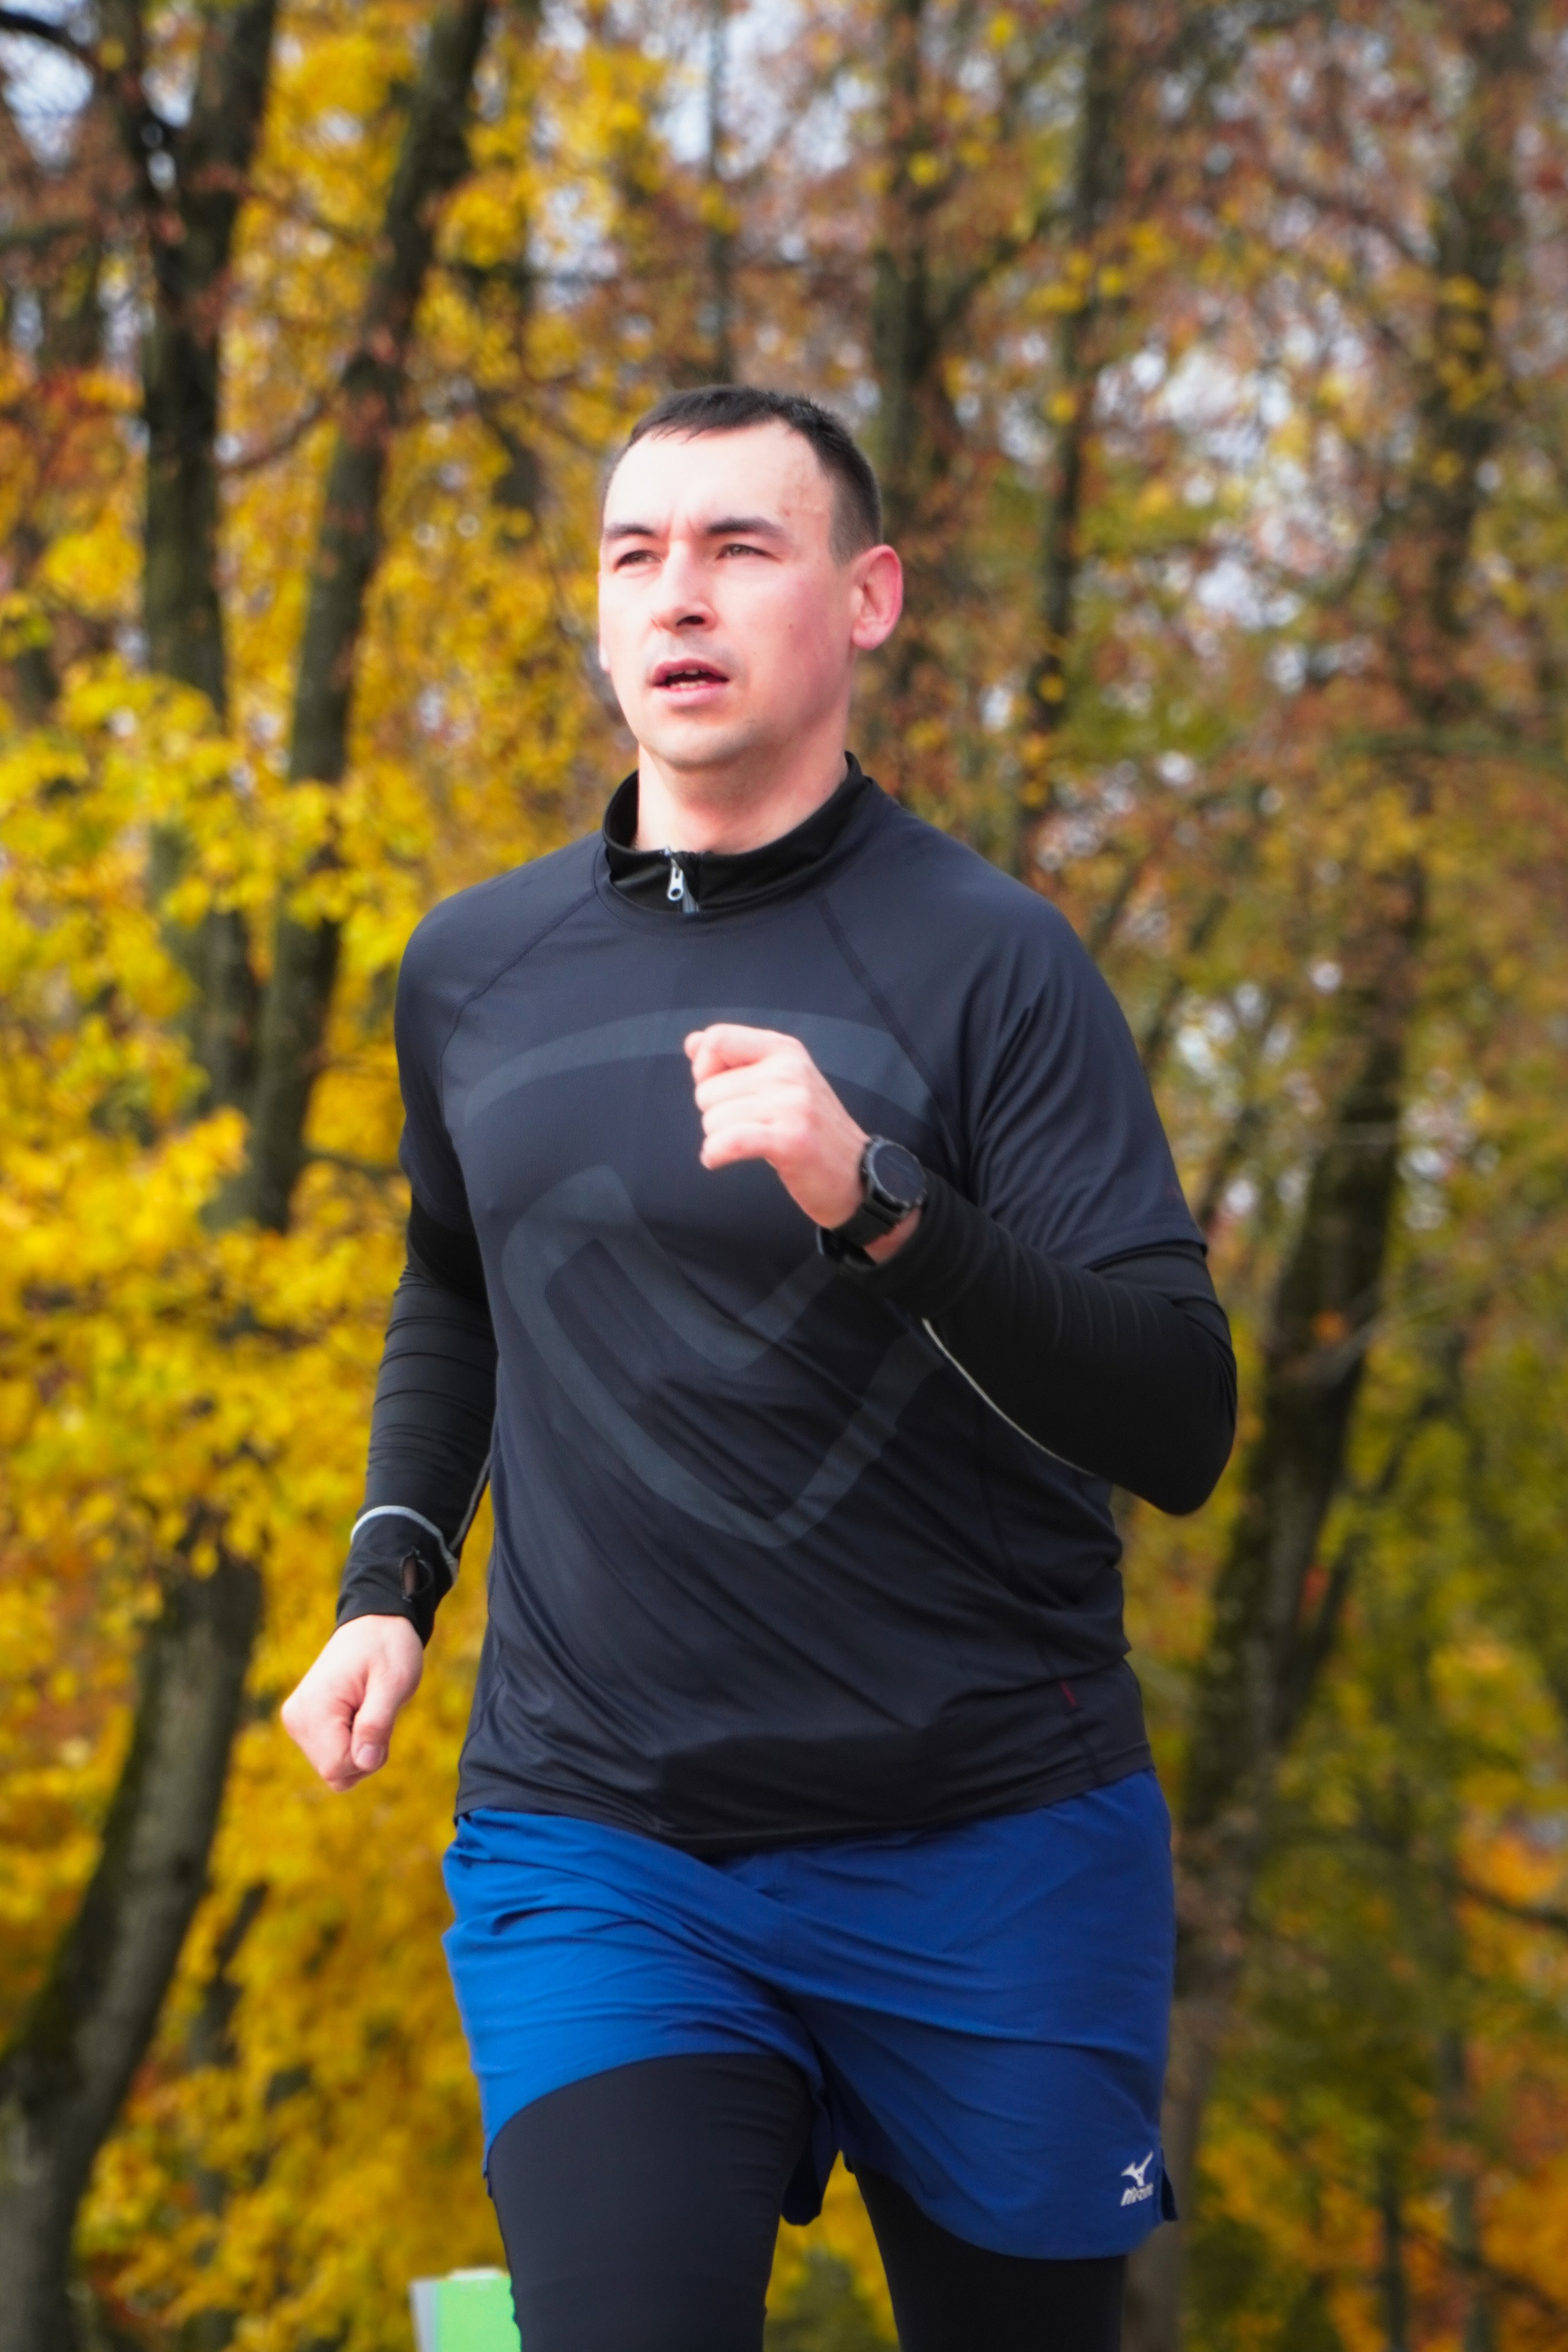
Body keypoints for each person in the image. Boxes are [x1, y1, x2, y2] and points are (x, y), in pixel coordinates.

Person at [282, 385, 1236, 2352]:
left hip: (993, 1850)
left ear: (866, 597)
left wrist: (882, 1203)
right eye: (637, 554)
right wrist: (391, 1581)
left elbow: (1179, 1414)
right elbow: (456, 1283)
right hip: (600, 1849)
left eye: (740, 547)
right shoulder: (471, 970)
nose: (678, 595)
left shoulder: (993, 963)